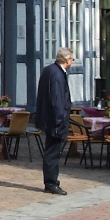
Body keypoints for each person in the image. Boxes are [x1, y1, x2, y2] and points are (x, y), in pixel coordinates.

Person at [35, 46, 74, 196]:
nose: (72, 62)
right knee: (53, 153)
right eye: (72, 59)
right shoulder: (57, 75)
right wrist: (59, 123)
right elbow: (57, 101)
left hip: (48, 118)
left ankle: (50, 182)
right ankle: (51, 183)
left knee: (51, 151)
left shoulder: (48, 70)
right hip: (54, 120)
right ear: (67, 60)